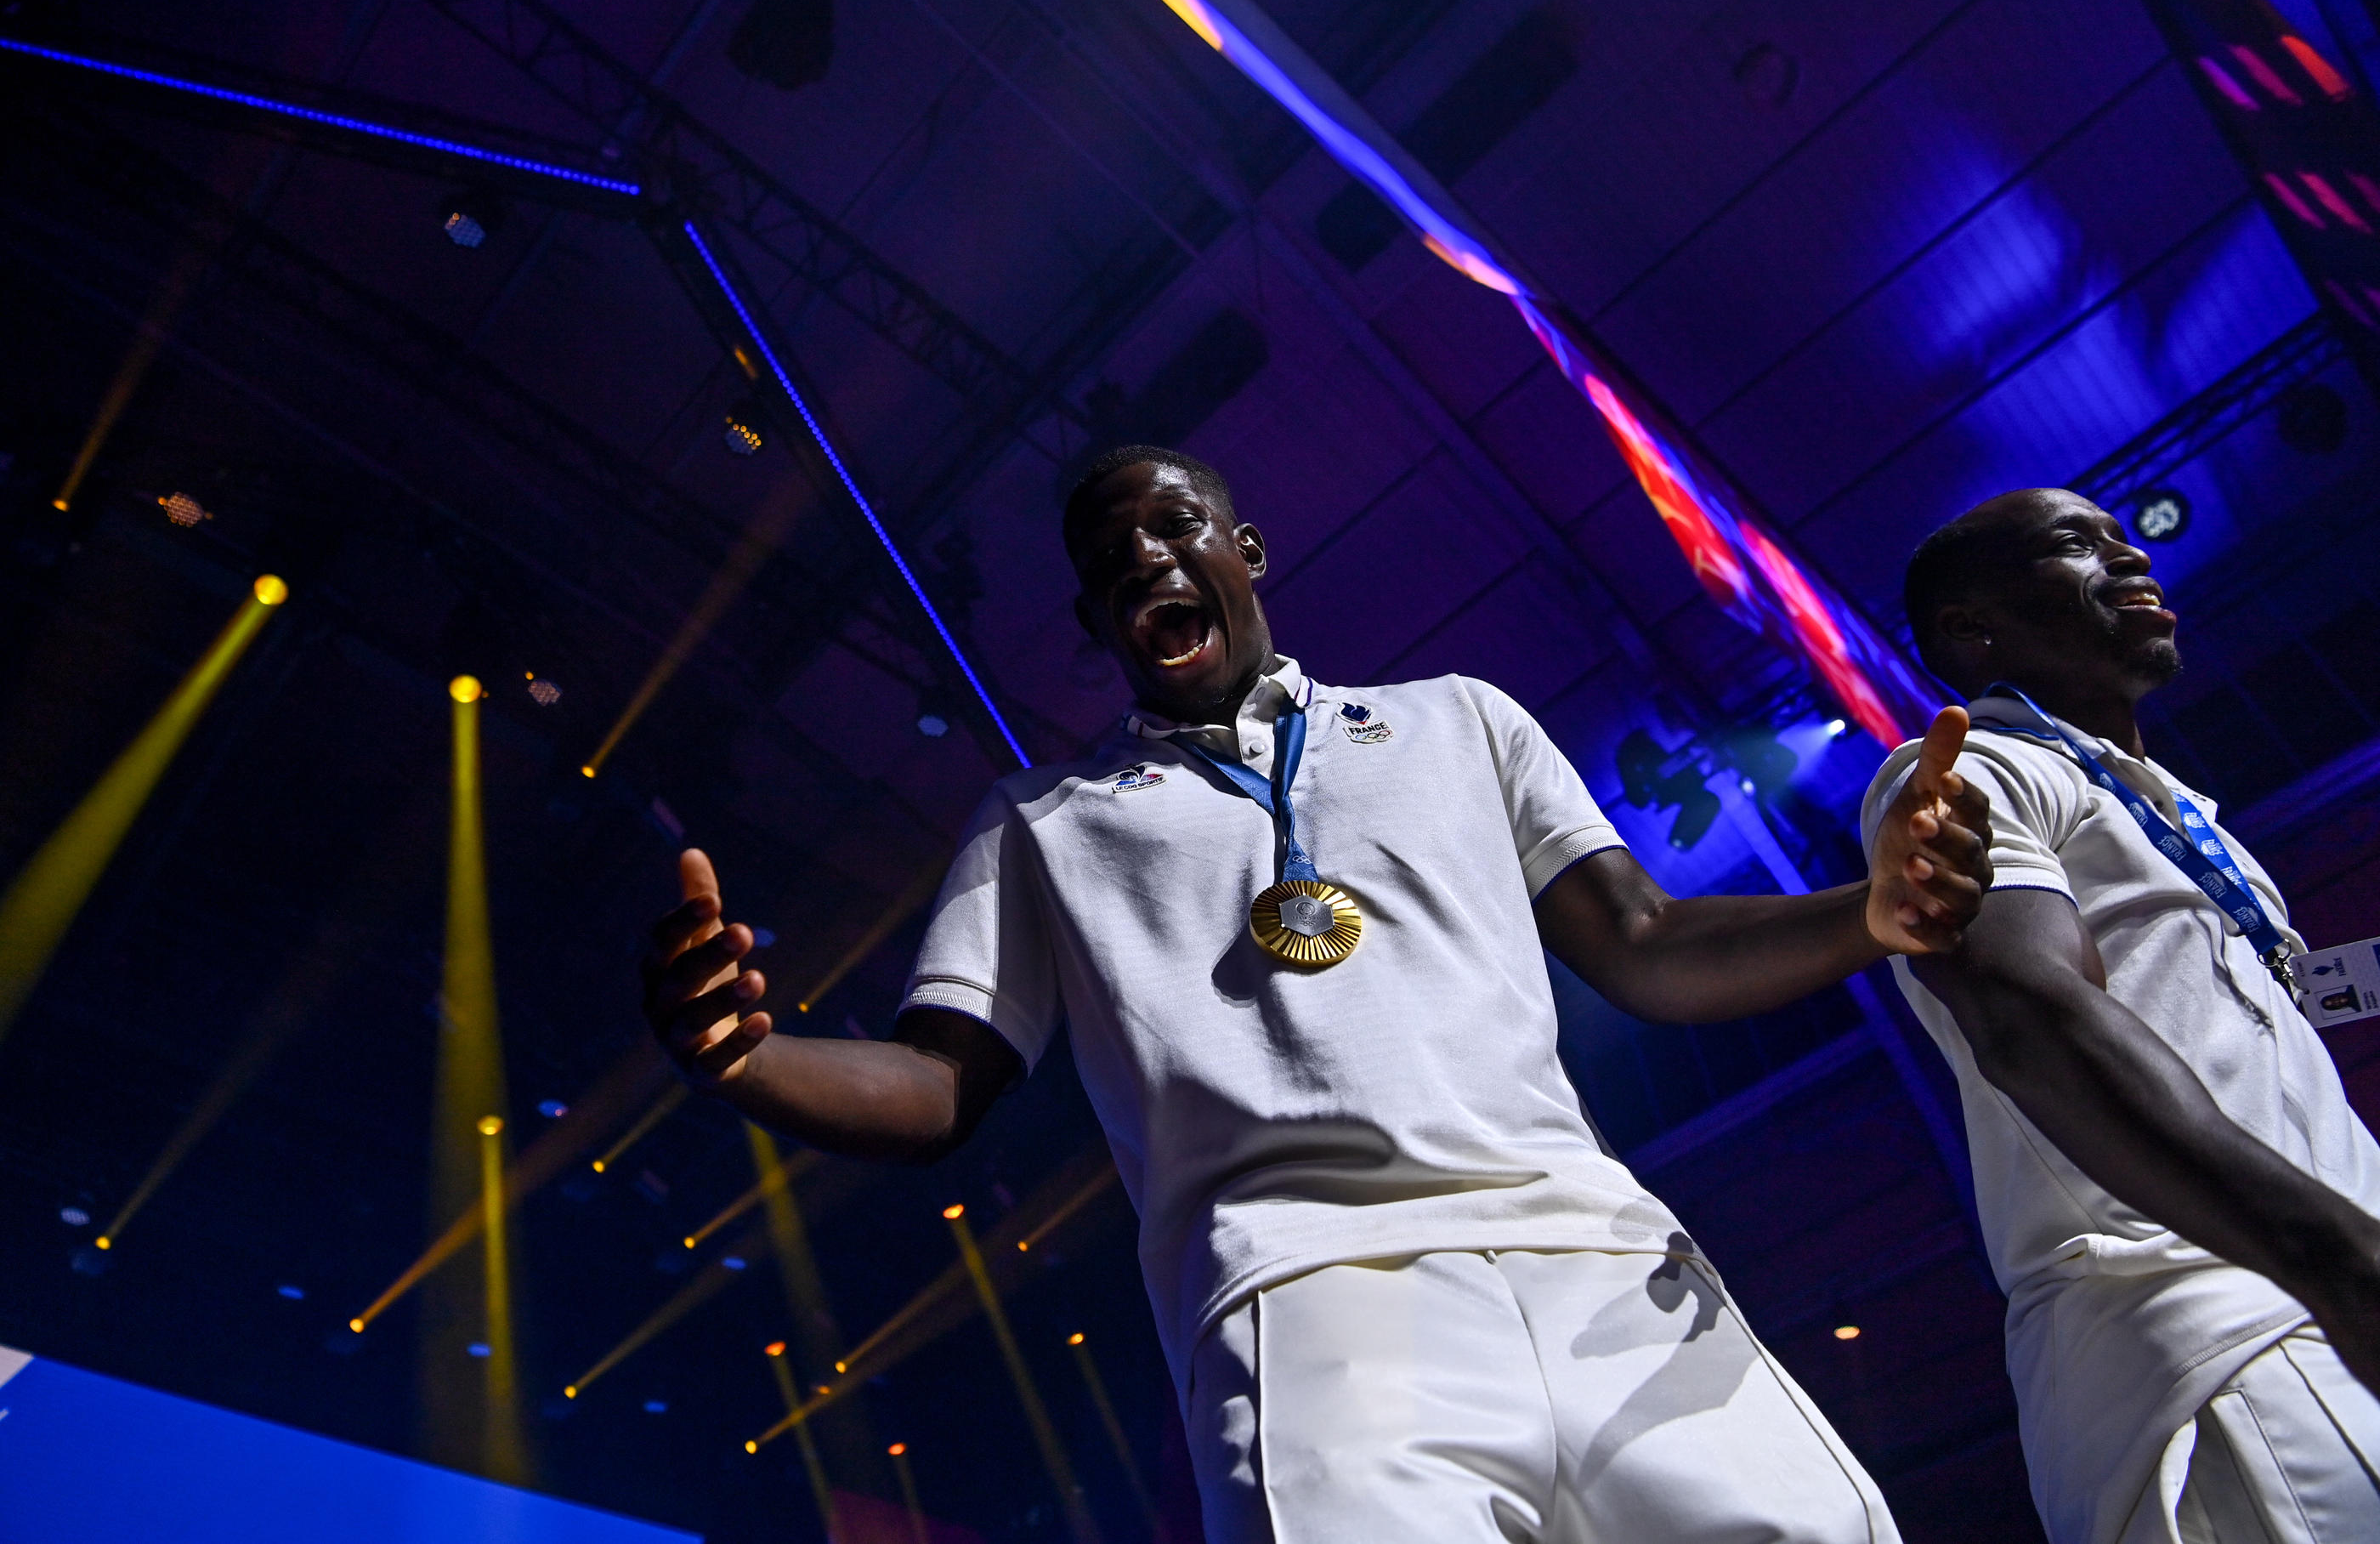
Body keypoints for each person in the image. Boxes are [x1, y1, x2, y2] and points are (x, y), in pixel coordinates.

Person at [647, 445, 1992, 1543]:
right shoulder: (1042, 824)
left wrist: (1869, 911)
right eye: (1112, 563)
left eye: (1177, 527)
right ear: (1090, 623)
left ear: (1249, 550)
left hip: (1595, 1248)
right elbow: (940, 1082)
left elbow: (1646, 942)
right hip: (1307, 1285)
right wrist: (743, 1059)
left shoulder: (1462, 719)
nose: (1146, 562)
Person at [1866, 487, 2380, 1544]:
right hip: (2217, 1334)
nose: (2130, 558)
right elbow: (2027, 1017)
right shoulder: (1968, 776)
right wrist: (2331, 1251)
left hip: (2334, 1301)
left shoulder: (2180, 814)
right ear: (1972, 626)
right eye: (2076, 546)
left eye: (2123, 538)